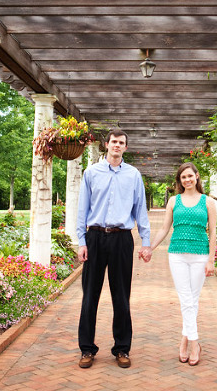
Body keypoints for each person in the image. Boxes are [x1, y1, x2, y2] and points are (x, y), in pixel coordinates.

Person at [75, 128, 151, 369]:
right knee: (90, 297)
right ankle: (87, 349)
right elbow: (82, 210)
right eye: (114, 142)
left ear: (125, 148)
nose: (117, 145)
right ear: (106, 145)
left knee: (121, 296)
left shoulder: (133, 175)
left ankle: (122, 349)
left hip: (121, 240)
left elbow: (141, 210)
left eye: (121, 143)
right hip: (95, 237)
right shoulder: (91, 173)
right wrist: (81, 241)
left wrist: (146, 242)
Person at [141, 162, 217, 366]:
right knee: (186, 299)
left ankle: (186, 340)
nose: (187, 180)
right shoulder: (174, 201)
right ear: (180, 180)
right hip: (177, 255)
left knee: (192, 299)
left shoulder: (208, 202)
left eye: (190, 176)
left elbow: (213, 234)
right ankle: (194, 343)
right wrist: (149, 247)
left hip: (200, 255)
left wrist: (211, 259)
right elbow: (164, 229)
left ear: (197, 177)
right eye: (183, 177)